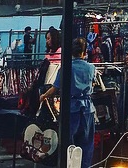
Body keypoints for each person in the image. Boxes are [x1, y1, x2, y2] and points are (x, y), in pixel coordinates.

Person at [41, 38, 96, 168]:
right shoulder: (91, 68)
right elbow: (92, 84)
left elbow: (55, 88)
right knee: (86, 144)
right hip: (88, 109)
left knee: (69, 143)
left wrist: (43, 96)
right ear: (84, 52)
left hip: (71, 108)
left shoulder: (65, 68)